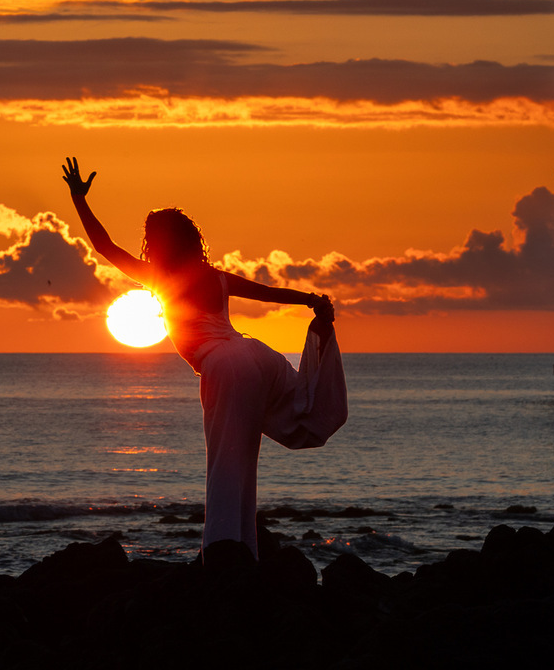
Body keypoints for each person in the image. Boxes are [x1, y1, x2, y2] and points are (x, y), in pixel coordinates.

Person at [62, 157, 347, 559]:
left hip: (226, 365)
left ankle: (225, 553)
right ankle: (241, 551)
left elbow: (104, 247)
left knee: (227, 464)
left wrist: (78, 199)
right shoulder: (215, 275)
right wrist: (310, 301)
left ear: (157, 244)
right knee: (246, 457)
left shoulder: (160, 278)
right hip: (257, 355)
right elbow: (267, 292)